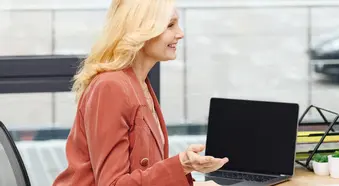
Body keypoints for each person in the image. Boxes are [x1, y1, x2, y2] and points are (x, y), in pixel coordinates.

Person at [52, 0, 228, 185]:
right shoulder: (111, 87)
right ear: (142, 30)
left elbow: (142, 169)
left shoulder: (138, 83)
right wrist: (181, 165)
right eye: (170, 25)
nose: (180, 34)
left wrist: (186, 165)